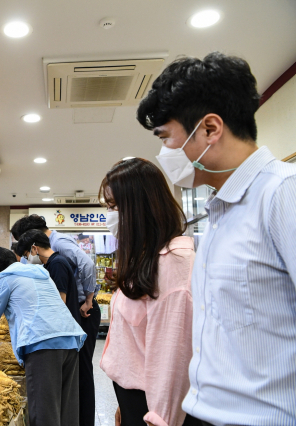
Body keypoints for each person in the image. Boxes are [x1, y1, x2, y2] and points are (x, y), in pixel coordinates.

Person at [137, 52, 296, 425]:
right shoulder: (219, 214)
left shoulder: (281, 196)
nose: (165, 153)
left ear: (210, 129)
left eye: (166, 137)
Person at [97, 158, 201, 426]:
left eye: (113, 207)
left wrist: (160, 415)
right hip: (135, 399)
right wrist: (124, 404)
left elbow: (174, 356)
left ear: (138, 208)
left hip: (156, 406)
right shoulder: (146, 257)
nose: (110, 216)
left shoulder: (175, 262)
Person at [0, 247, 86, 426]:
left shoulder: (4, 278)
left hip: (42, 342)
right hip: (69, 337)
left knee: (44, 409)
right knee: (67, 407)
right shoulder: (41, 273)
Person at [11, 214, 100, 426]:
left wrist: (89, 299)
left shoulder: (58, 245)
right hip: (74, 310)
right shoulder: (52, 250)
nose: (25, 253)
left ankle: (85, 420)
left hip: (82, 310)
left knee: (82, 372)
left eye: (25, 246)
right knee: (75, 373)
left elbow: (87, 264)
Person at [14, 229, 82, 325]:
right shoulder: (49, 264)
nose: (27, 260)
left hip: (64, 325)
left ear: (34, 248)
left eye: (26, 255)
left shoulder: (57, 264)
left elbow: (61, 300)